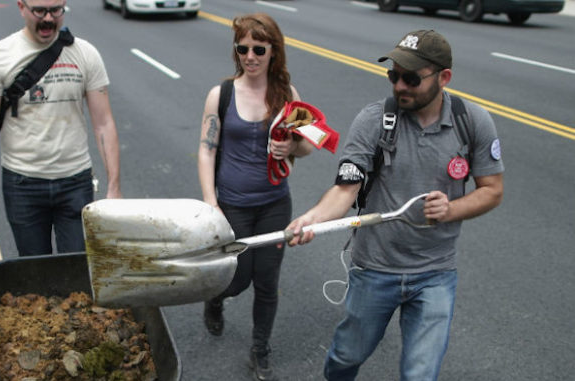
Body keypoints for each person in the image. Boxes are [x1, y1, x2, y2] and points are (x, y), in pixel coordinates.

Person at [287, 30, 504, 381]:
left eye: (411, 78)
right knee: (346, 356)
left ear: (443, 77)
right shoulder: (374, 120)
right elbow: (345, 190)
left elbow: (492, 189)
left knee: (420, 373)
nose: (400, 85)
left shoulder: (472, 121)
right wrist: (312, 219)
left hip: (435, 273)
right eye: (394, 75)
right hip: (375, 269)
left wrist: (452, 209)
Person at [197, 13, 314, 381]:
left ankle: (260, 350)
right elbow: (206, 150)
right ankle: (215, 299)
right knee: (237, 279)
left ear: (273, 51)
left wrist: (291, 145)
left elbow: (308, 147)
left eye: (258, 49)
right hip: (232, 204)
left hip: (274, 203)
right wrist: (210, 202)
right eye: (242, 48)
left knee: (266, 281)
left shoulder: (288, 95)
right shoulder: (222, 94)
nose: (250, 56)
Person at [0, 0, 121, 256]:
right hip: (23, 184)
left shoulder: (85, 54)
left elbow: (104, 122)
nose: (49, 19)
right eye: (40, 11)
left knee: (74, 272)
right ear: (21, 7)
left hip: (75, 181)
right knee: (34, 275)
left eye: (56, 10)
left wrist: (114, 187)